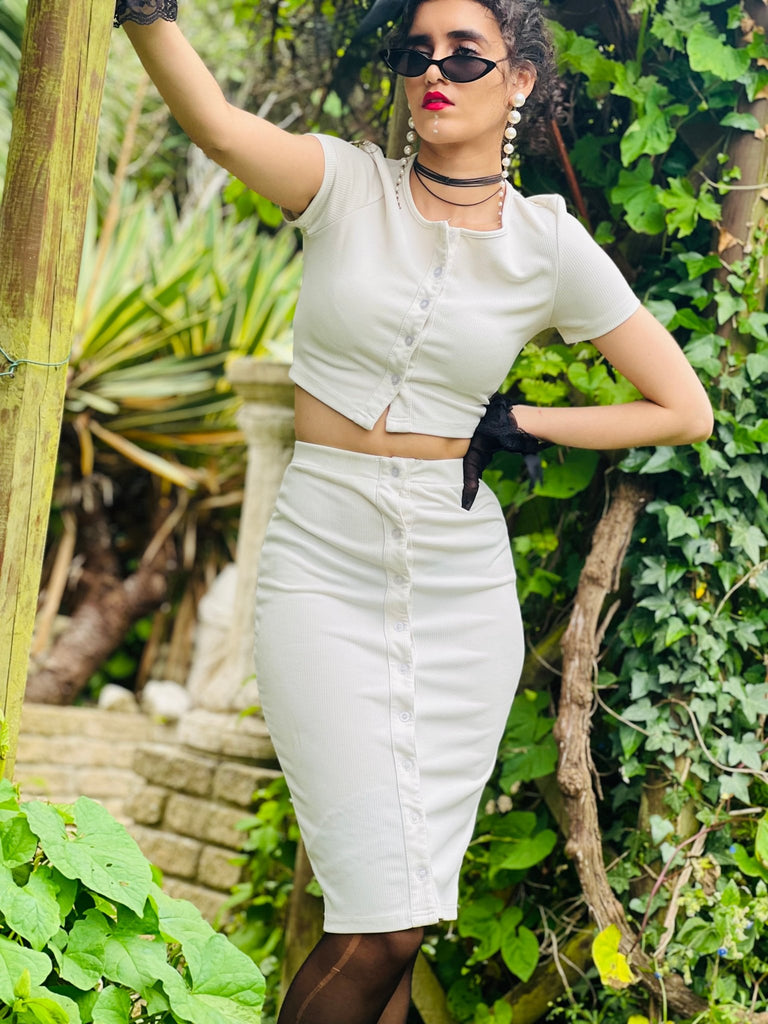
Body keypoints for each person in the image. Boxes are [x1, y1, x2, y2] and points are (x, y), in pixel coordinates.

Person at [116, 0, 713, 1021]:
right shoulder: (344, 186)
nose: (435, 70)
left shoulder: (546, 243)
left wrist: (520, 420)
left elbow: (684, 408)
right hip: (322, 562)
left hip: (457, 589)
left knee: (399, 918)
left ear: (519, 79)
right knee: (380, 922)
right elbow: (215, 124)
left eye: (465, 55)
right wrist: (144, 15)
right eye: (416, 53)